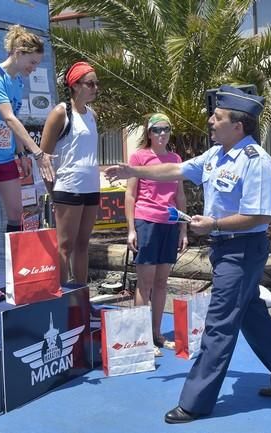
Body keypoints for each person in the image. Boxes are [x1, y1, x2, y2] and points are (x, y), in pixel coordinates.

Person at [105, 85, 271, 423]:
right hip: (225, 248)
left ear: (238, 126)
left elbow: (260, 216)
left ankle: (195, 401)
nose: (210, 122)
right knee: (251, 315)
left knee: (218, 323)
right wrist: (134, 172)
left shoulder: (256, 161)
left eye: (217, 117)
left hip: (242, 250)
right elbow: (176, 170)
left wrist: (213, 223)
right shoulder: (215, 155)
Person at [0, 25, 54, 300]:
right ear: (17, 53)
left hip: (4, 158)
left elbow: (14, 121)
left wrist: (21, 155)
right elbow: (10, 118)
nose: (33, 68)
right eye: (32, 62)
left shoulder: (17, 82)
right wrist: (37, 152)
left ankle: (16, 271)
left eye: (38, 64)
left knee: (16, 214)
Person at [125, 113, 188, 357]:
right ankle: (141, 339)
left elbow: (180, 196)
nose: (162, 134)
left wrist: (183, 228)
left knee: (162, 282)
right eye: (157, 130)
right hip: (146, 222)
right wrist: (131, 229)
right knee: (145, 283)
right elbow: (130, 195)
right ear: (149, 133)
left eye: (166, 129)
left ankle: (156, 333)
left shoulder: (175, 159)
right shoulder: (138, 158)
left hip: (170, 224)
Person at [39, 61, 100, 284]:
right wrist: (52, 191)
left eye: (96, 84)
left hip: (91, 187)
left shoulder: (92, 114)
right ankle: (63, 298)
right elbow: (43, 156)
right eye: (90, 83)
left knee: (84, 244)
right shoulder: (61, 112)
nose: (95, 88)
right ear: (74, 85)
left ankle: (81, 299)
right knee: (65, 246)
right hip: (68, 186)